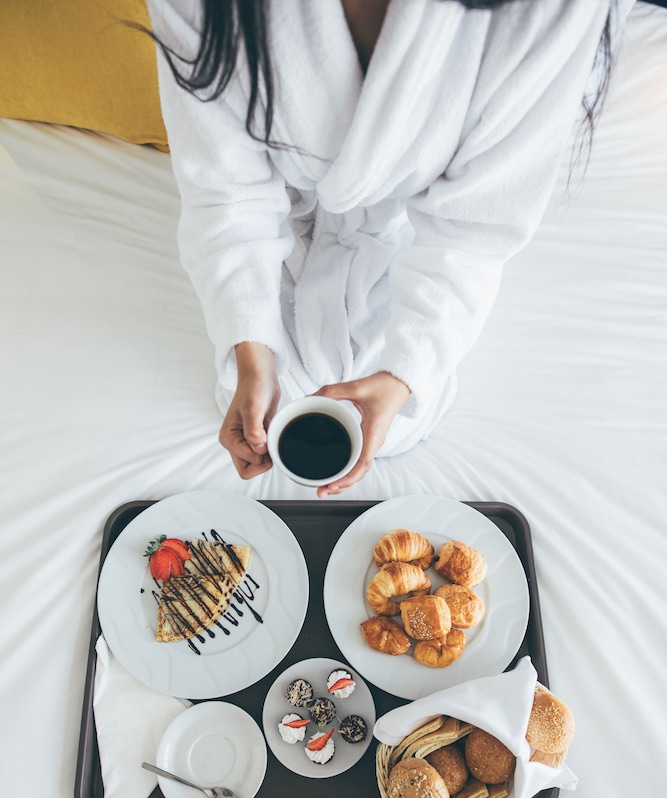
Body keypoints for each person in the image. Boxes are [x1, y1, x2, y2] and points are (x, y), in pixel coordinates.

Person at [146, 0, 624, 496]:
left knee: (393, 425)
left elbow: (474, 228)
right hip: (287, 196)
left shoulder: (552, 12)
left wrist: (403, 375)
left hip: (415, 215)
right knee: (263, 402)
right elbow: (227, 192)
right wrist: (250, 350)